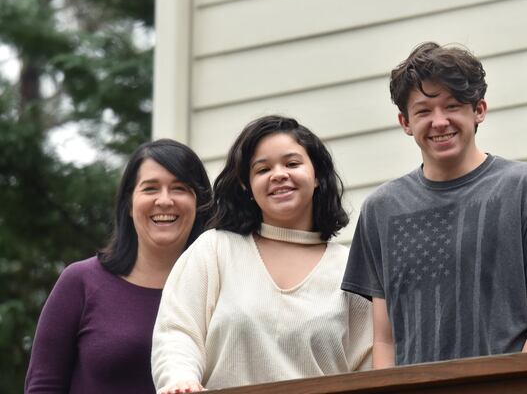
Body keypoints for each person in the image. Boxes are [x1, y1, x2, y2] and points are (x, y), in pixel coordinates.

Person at [342, 42, 527, 368]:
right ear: (405, 122)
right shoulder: (381, 210)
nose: (439, 122)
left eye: (452, 106)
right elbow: (385, 339)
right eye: (423, 111)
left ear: (478, 110)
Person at [152, 115, 372, 393]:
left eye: (292, 164)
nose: (279, 174)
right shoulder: (215, 250)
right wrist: (179, 380)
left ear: (317, 176)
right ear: (248, 186)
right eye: (262, 169)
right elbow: (177, 332)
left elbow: (369, 367)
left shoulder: (350, 268)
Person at [24, 139, 213, 394]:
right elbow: (43, 387)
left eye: (179, 188)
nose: (165, 200)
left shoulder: (217, 287)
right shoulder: (81, 282)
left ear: (199, 203)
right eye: (150, 189)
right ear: (129, 205)